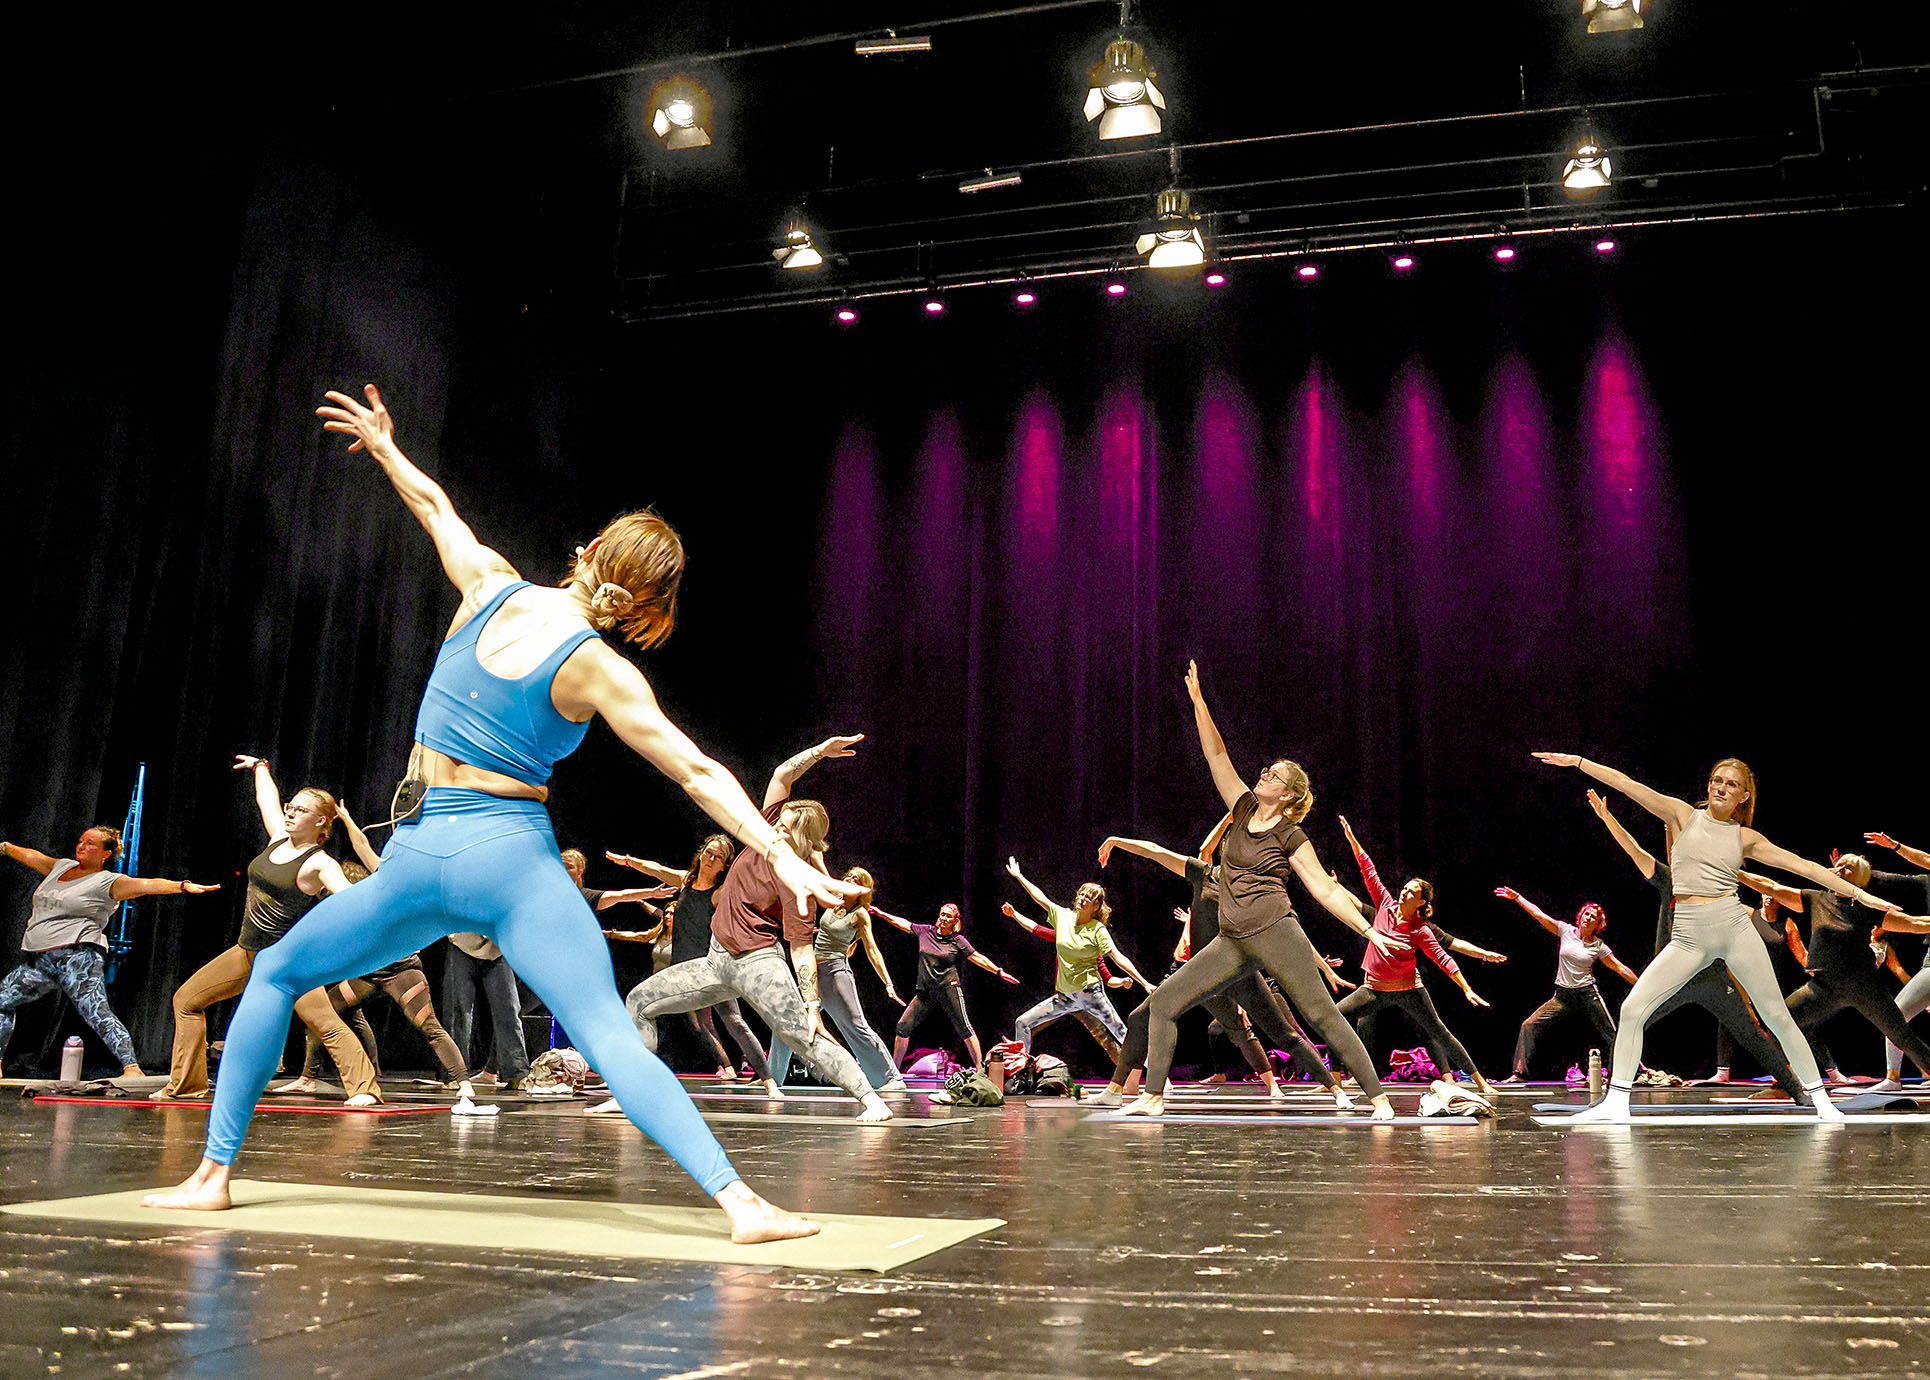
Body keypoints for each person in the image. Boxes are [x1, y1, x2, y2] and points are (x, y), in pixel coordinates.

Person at [142, 382, 850, 1243]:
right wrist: (779, 854)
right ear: (649, 612)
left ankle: (214, 1175)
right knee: (605, 1031)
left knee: (279, 972)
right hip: (514, 866)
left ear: (584, 552)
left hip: (419, 854)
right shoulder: (602, 670)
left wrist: (385, 445)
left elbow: (435, 505)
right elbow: (699, 771)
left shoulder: (490, 588)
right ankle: (742, 1206)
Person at [1531, 753, 1896, 1122]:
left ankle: (1822, 1103)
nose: (1722, 787)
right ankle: (1614, 1105)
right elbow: (1628, 785)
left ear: (1743, 797)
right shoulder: (1681, 815)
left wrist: (1862, 896)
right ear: (1708, 785)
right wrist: (1579, 762)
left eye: (1732, 784)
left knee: (1776, 1015)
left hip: (1732, 927)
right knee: (1631, 1009)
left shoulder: (1745, 838)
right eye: (1717, 781)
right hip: (1688, 934)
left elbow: (1804, 867)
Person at [1124, 663, 1409, 1120]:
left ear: (1291, 794)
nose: (1263, 777)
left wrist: (1367, 931)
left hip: (1276, 930)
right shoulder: (1241, 809)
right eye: (1265, 771)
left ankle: (1378, 1100)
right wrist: (1199, 703)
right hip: (1232, 939)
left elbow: (1324, 889)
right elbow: (1217, 758)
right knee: (1164, 1003)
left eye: (1274, 777)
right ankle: (1152, 1096)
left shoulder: (1291, 834)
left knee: (1321, 1015)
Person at [618, 736, 893, 1122]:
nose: (774, 828)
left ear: (801, 838)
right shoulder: (765, 831)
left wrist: (813, 1005)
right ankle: (631, 1094)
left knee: (804, 1037)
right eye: (777, 821)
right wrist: (820, 752)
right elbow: (783, 774)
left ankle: (871, 1100)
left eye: (785, 826)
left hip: (759, 965)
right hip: (715, 961)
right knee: (638, 1002)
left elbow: (800, 948)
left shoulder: (799, 880)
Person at [151, 756, 383, 1102]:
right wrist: (261, 767)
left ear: (320, 820)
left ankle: (366, 1090)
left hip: (289, 963)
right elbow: (267, 800)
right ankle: (187, 1085)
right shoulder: (278, 838)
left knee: (325, 1023)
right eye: (292, 806)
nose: (290, 813)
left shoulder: (319, 862)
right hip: (248, 952)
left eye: (301, 811)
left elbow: (353, 901)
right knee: (186, 1001)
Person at [1089, 819, 1344, 1107]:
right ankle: (1115, 1091)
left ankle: (1336, 1090)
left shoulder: (1255, 890)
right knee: (1140, 1017)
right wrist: (1116, 839)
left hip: (1238, 971)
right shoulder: (1204, 874)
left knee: (1283, 1033)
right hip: (1199, 971)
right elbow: (1156, 851)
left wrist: (1322, 967)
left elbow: (1290, 930)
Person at [1586, 788, 1809, 1100]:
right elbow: (1633, 849)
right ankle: (1614, 1096)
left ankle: (1795, 1088)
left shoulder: (1718, 886)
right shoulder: (1668, 879)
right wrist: (1607, 817)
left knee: (1751, 1033)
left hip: (1713, 979)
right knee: (1630, 1020)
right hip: (1673, 977)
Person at [1, 828, 219, 1079]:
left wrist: (182, 886)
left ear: (105, 853)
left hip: (77, 958)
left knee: (97, 1013)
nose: (81, 846)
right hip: (40, 961)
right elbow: (31, 856)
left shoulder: (108, 881)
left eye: (91, 844)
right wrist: (5, 846)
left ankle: (132, 1069)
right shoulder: (60, 867)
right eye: (81, 841)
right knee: (2, 1001)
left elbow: (146, 885)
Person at [1333, 816, 1497, 1099]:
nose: (1404, 891)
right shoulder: (1385, 904)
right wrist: (1351, 838)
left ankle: (1480, 1082)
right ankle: (1335, 1079)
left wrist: (1466, 988)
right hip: (1373, 989)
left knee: (1441, 1033)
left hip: (1410, 990)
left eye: (1411, 891)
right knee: (1334, 1017)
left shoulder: (1420, 930)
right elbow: (1368, 870)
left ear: (1421, 902)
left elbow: (1443, 958)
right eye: (1405, 887)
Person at [606, 836, 777, 1089]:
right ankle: (636, 1078)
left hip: (710, 970)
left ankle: (769, 1081)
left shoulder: (719, 893)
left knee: (734, 1022)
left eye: (718, 857)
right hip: (681, 971)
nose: (711, 859)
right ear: (701, 854)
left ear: (723, 866)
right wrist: (629, 862)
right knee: (656, 1012)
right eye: (709, 853)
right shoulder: (686, 881)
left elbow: (749, 890)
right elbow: (658, 869)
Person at [1746, 857, 1930, 1086]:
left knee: (1903, 1038)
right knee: (1777, 1022)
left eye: (1848, 868)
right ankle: (1787, 1084)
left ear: (1860, 880)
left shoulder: (1867, 908)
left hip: (1864, 986)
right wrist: (1734, 873)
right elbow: (1770, 887)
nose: (1840, 869)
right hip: (1825, 986)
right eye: (1839, 865)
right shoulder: (1815, 898)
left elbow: (1912, 923)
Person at [768, 867, 908, 1092]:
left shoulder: (860, 914)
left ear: (863, 890)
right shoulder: (833, 902)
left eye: (857, 879)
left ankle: (891, 1078)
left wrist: (888, 982)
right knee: (787, 1019)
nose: (850, 879)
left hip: (835, 973)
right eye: (849, 876)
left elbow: (872, 949)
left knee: (854, 1025)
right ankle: (773, 1077)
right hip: (814, 971)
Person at [1003, 857, 1154, 1062]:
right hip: (1065, 997)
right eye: (1081, 893)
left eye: (1089, 897)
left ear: (1096, 906)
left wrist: (1142, 982)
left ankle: (1157, 1074)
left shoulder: (1097, 930)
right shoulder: (1063, 917)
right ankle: (1022, 1072)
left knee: (1120, 1032)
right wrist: (1019, 877)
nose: (1083, 898)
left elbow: (1118, 958)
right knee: (1022, 1022)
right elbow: (1040, 900)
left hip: (1091, 994)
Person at [1492, 887, 1639, 1082]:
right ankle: (1519, 1074)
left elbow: (1620, 968)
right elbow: (1538, 915)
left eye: (1593, 917)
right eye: (1586, 913)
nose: (1588, 918)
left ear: (1598, 924)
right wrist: (1517, 897)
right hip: (1563, 997)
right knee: (1528, 1025)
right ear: (1580, 917)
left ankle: (1624, 1074)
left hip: (1587, 994)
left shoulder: (1598, 946)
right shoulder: (1565, 930)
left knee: (1611, 1034)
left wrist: (1643, 985)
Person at [877, 902, 1019, 1070]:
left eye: (948, 916)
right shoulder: (926, 932)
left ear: (955, 921)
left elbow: (977, 958)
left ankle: (980, 1070)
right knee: (902, 1027)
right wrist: (881, 914)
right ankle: (895, 1070)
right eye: (942, 914)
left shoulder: (957, 940)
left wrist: (999, 971)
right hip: (925, 992)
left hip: (948, 989)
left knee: (965, 1029)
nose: (943, 918)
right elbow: (903, 923)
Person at [1860, 831, 1930, 1091]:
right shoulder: (1925, 880)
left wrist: (1896, 846)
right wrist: (1853, 872)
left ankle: (1893, 1079)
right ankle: (1893, 1078)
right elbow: (1891, 879)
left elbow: (1924, 859)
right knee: (1896, 1016)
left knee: (1895, 1016)